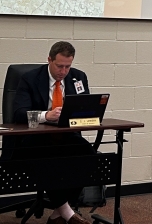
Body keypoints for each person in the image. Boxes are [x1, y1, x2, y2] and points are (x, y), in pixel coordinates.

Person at [11, 41, 93, 224]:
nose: (63, 71)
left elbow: (84, 108)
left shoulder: (78, 77)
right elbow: (17, 114)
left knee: (88, 154)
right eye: (59, 66)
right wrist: (46, 115)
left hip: (66, 136)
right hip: (36, 138)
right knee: (48, 159)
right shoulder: (30, 78)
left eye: (67, 66)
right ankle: (66, 212)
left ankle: (57, 213)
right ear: (49, 60)